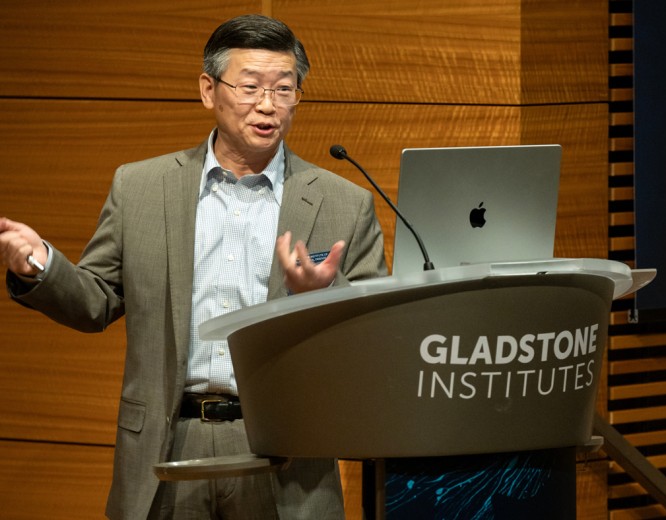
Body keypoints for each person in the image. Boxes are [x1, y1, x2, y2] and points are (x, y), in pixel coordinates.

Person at [0, 14, 386, 520]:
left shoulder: (342, 202)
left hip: (283, 454)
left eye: (284, 90)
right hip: (167, 443)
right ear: (209, 89)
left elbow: (374, 336)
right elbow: (96, 301)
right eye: (250, 87)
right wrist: (41, 266)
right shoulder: (141, 187)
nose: (268, 106)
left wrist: (321, 289)